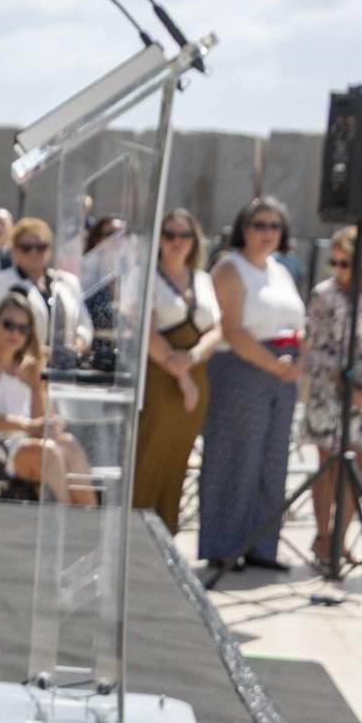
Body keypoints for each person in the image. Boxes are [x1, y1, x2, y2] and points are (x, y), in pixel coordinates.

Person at [201, 197, 305, 572]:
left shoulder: (281, 270)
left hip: (283, 374)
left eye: (274, 226)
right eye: (259, 225)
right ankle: (224, 545)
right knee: (236, 458)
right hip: (242, 369)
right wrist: (272, 366)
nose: (267, 233)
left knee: (271, 461)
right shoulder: (230, 268)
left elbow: (296, 320)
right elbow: (230, 329)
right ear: (244, 228)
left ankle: (262, 545)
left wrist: (297, 362)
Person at [301, 225, 362, 569]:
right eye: (335, 262)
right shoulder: (323, 294)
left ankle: (340, 542)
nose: (340, 270)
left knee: (356, 470)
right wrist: (342, 382)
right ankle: (322, 536)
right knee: (327, 465)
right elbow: (314, 344)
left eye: (348, 262)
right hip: (329, 390)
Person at [0, 287, 97, 502]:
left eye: (23, 328)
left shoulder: (29, 367)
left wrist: (48, 423)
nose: (15, 333)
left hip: (21, 443)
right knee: (49, 453)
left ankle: (87, 519)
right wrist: (28, 425)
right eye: (9, 325)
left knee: (69, 445)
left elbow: (38, 418)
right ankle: (64, 521)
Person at [136, 207, 221, 534]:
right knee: (149, 460)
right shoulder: (147, 276)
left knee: (178, 462)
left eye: (183, 235)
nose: (176, 242)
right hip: (160, 378)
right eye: (169, 234)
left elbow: (217, 329)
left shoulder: (202, 278)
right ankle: (138, 538)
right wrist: (182, 376)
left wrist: (194, 357)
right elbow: (147, 332)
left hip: (195, 376)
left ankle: (166, 537)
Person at [0, 215, 90, 368]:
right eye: (26, 247)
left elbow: (85, 325)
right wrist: (37, 352)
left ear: (49, 250)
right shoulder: (0, 281)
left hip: (65, 372)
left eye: (41, 247)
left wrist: (76, 346)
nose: (34, 253)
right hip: (19, 368)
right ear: (14, 251)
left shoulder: (68, 282)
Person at [79, 215, 126, 373]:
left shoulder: (134, 278)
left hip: (125, 369)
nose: (117, 239)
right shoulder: (83, 277)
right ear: (97, 240)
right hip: (90, 366)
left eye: (122, 234)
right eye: (111, 233)